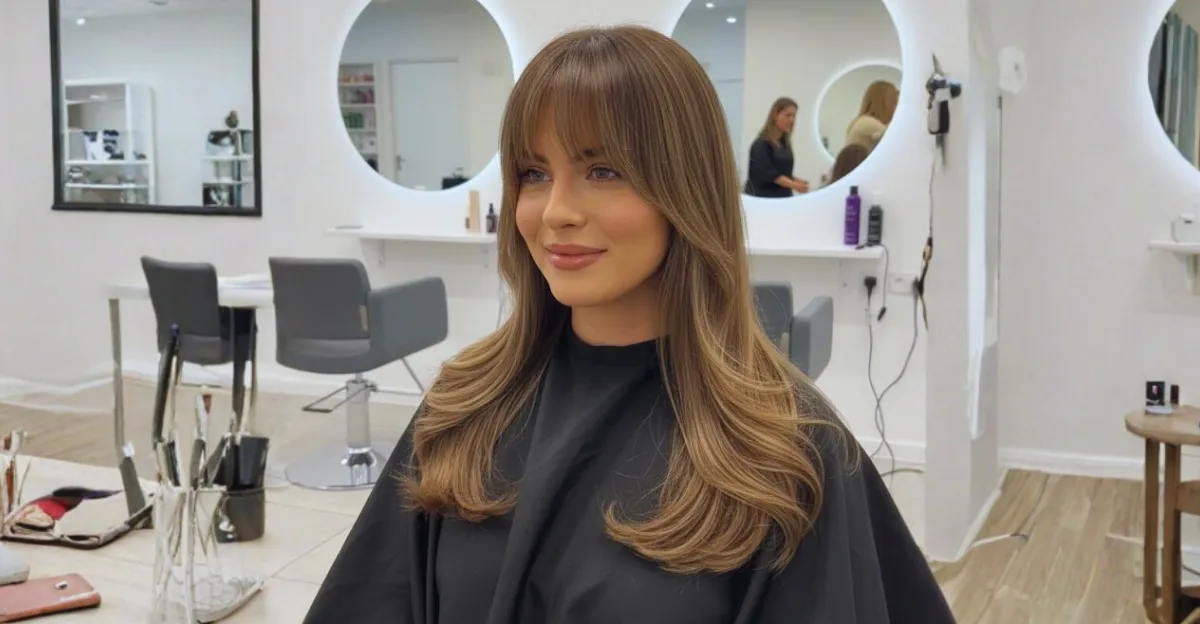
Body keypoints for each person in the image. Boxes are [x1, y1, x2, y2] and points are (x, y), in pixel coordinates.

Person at [303, 25, 953, 624]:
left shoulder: (785, 451)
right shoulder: (466, 403)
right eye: (533, 173)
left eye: (603, 170)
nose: (555, 211)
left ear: (685, 189)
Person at [743, 97, 810, 197]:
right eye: (787, 115)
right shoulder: (761, 145)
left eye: (794, 116)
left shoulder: (784, 145)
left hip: (782, 199)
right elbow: (769, 175)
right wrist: (795, 185)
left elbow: (782, 172)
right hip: (764, 200)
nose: (791, 120)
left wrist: (796, 181)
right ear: (775, 115)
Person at [846, 80, 899, 152]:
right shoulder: (868, 123)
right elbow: (894, 139)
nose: (897, 108)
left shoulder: (862, 121)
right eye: (895, 103)